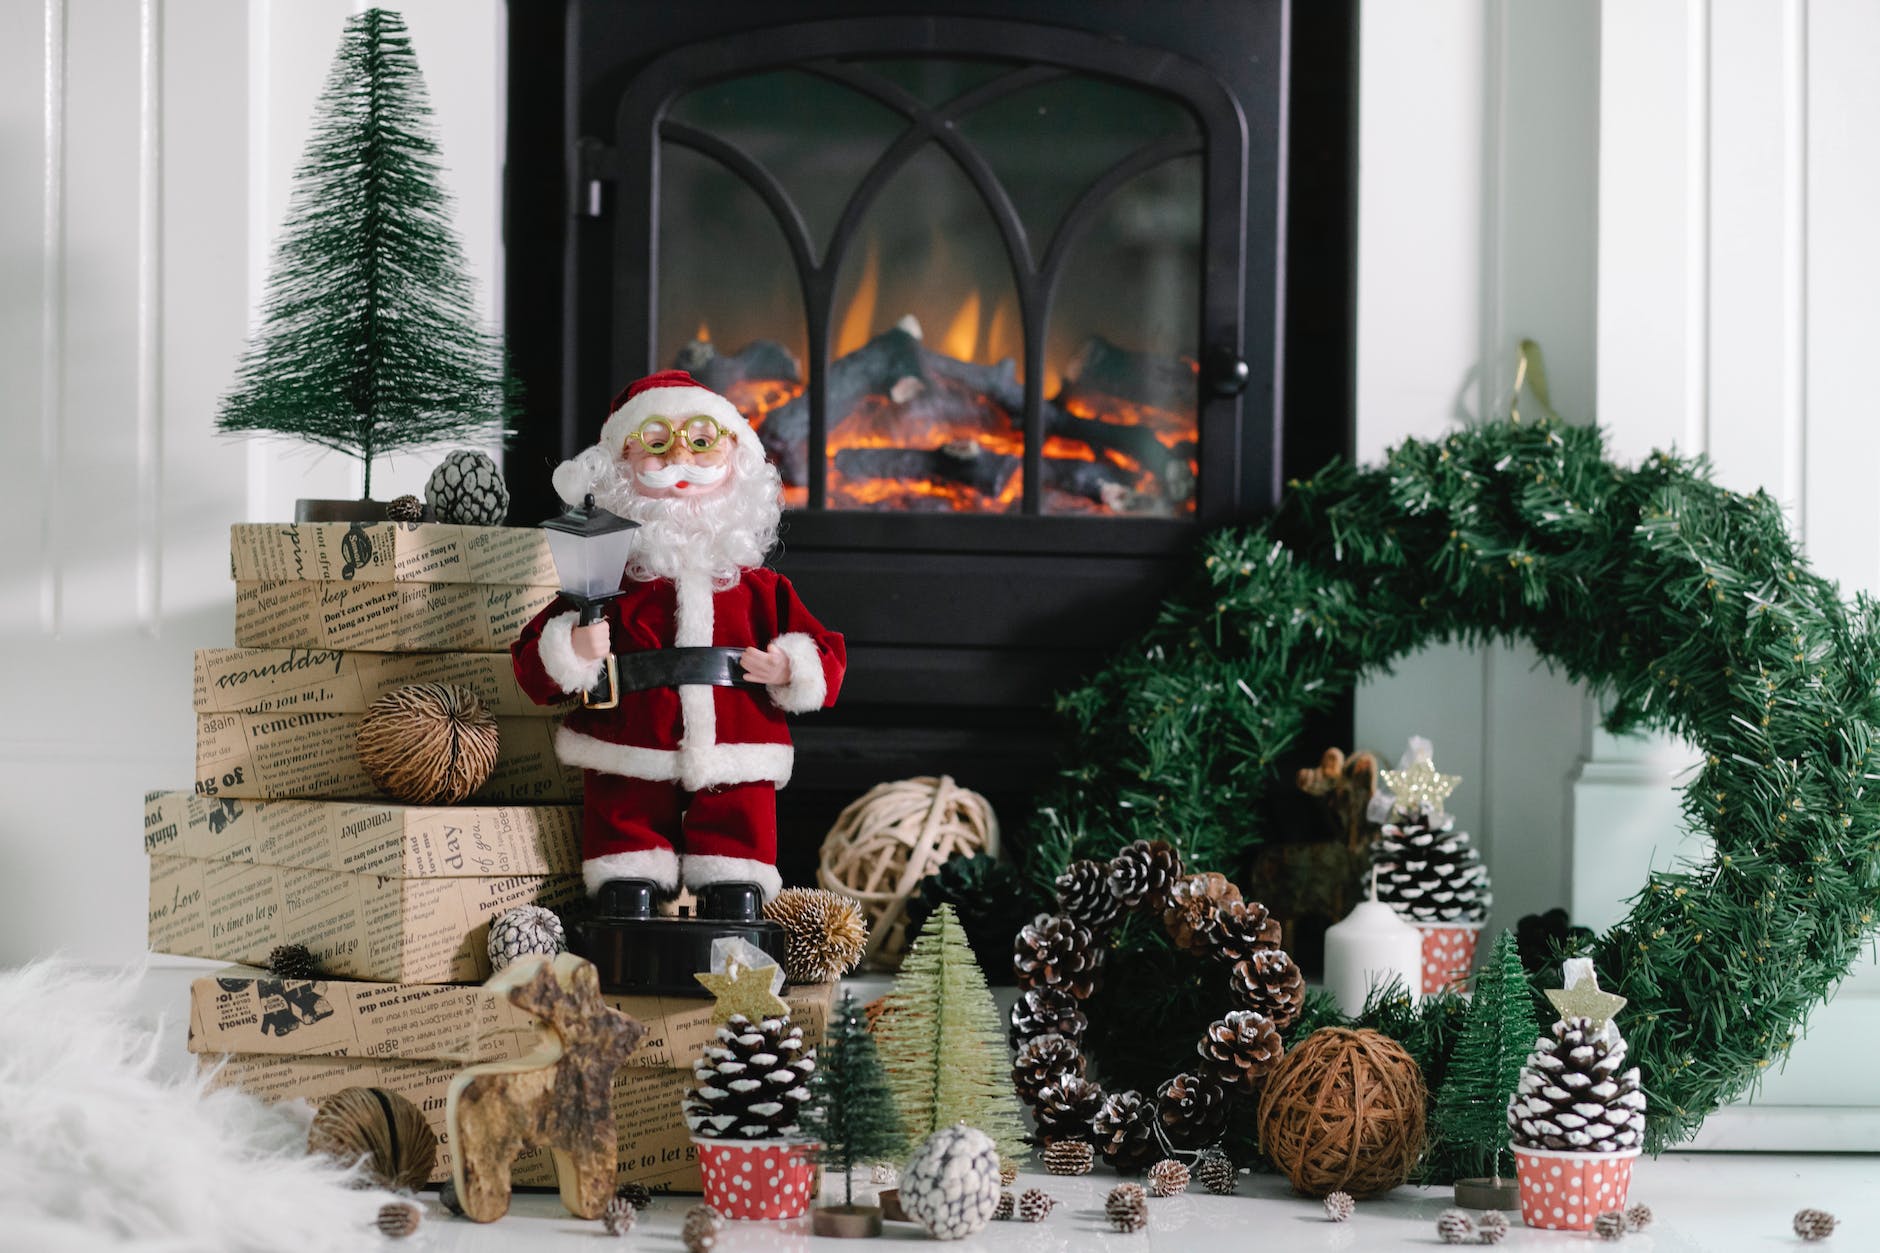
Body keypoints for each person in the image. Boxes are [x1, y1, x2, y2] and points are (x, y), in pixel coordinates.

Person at [512, 370, 844, 904]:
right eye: (655, 442)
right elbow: (531, 663)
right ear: (621, 467)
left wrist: (791, 667)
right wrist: (571, 648)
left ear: (737, 461)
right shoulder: (604, 581)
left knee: (739, 835)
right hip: (629, 745)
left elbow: (825, 655)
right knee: (624, 826)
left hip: (738, 747)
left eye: (702, 441)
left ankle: (733, 891)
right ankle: (627, 888)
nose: (680, 459)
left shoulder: (762, 589)